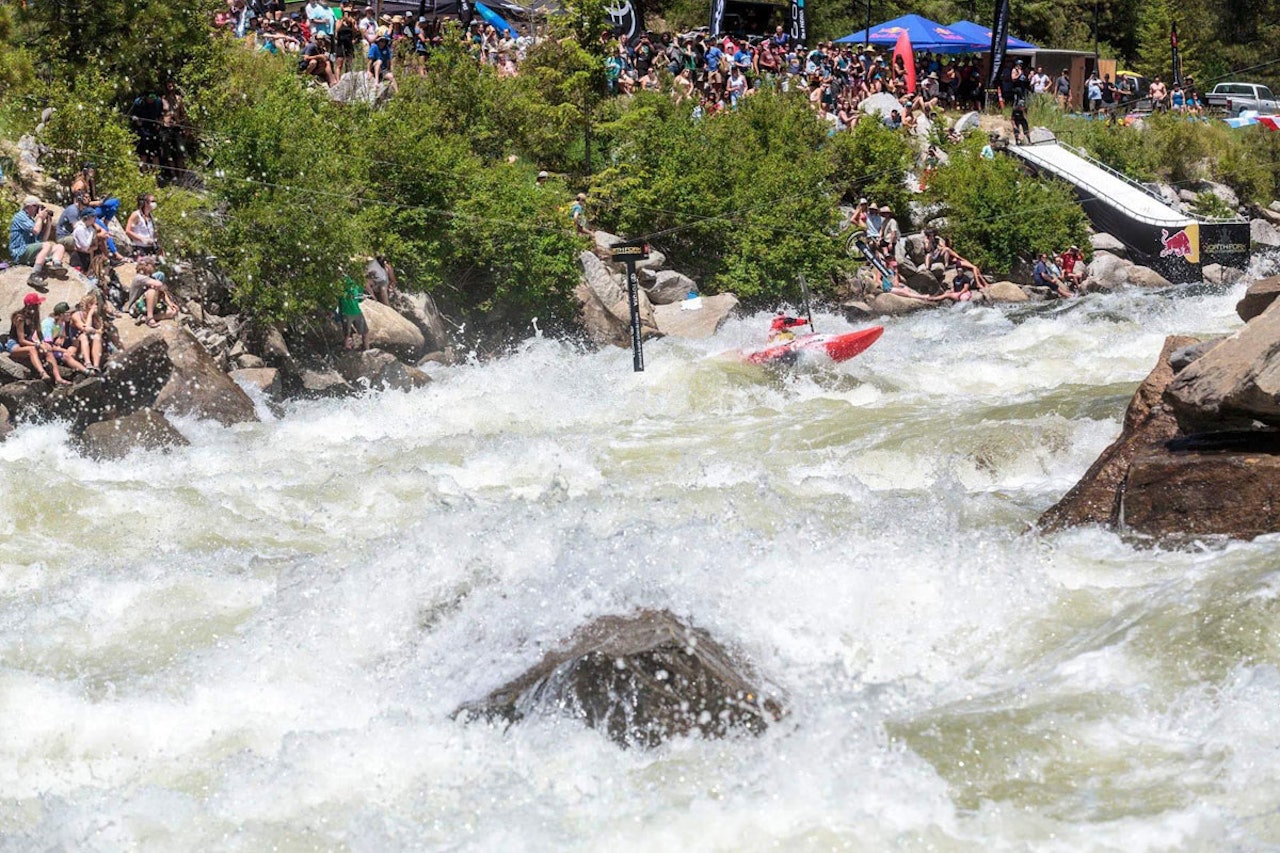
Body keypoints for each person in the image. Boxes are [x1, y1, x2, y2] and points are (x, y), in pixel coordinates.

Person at [9, 196, 68, 290]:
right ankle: (34, 275)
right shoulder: (20, 216)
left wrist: (48, 222)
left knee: (59, 247)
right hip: (20, 251)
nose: (38, 210)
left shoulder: (31, 220)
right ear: (29, 206)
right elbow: (36, 231)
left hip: (31, 251)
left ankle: (56, 266)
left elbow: (43, 239)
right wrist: (40, 217)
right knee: (47, 245)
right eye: (37, 206)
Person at [5, 293, 65, 384]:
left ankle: (58, 378)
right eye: (38, 304)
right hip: (14, 344)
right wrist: (38, 345)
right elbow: (21, 340)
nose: (39, 306)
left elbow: (39, 332)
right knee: (32, 349)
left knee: (48, 351)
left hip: (27, 343)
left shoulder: (34, 316)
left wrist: (44, 343)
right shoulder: (20, 318)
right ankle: (43, 373)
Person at [41, 301, 91, 377]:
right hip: (43, 348)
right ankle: (87, 372)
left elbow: (62, 336)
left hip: (53, 347)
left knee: (73, 349)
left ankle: (81, 367)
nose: (70, 315)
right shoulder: (48, 324)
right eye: (68, 313)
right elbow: (47, 344)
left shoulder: (62, 323)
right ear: (61, 315)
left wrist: (61, 338)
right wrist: (64, 350)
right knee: (66, 356)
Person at [127, 257, 181, 326]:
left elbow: (162, 291)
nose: (155, 268)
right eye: (153, 265)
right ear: (146, 265)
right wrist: (160, 286)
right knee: (152, 290)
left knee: (172, 312)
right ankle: (150, 319)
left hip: (147, 306)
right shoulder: (139, 277)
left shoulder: (151, 278)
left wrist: (170, 303)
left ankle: (144, 318)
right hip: (136, 308)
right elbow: (159, 284)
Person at [125, 193, 160, 257]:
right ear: (145, 203)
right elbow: (128, 231)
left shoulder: (150, 216)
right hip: (140, 248)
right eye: (152, 201)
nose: (154, 203)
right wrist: (142, 239)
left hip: (151, 248)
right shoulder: (136, 215)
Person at [338, 274, 368, 350]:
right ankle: (347, 349)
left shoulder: (359, 284)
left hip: (356, 311)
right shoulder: (343, 281)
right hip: (346, 311)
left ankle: (366, 349)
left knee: (365, 332)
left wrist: (362, 297)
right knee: (347, 334)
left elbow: (359, 299)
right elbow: (341, 296)